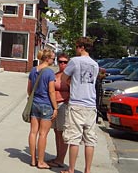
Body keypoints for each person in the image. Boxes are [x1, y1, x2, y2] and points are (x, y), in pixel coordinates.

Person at [61, 37, 99, 173]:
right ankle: (87, 170)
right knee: (90, 140)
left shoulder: (74, 61)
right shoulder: (95, 64)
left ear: (82, 47)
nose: (76, 49)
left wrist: (71, 82)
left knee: (74, 139)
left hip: (76, 103)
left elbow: (63, 78)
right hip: (90, 104)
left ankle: (71, 169)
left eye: (77, 46)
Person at [27, 49, 58, 168]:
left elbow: (29, 89)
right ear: (47, 58)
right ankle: (41, 161)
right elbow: (51, 91)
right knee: (43, 134)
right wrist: (55, 108)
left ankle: (33, 160)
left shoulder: (33, 70)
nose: (53, 60)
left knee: (33, 132)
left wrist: (31, 97)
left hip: (35, 103)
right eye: (53, 58)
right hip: (46, 104)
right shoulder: (49, 72)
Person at [48, 53, 70, 168]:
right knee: (56, 132)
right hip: (54, 106)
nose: (62, 64)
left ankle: (61, 159)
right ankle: (58, 157)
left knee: (62, 134)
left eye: (65, 62)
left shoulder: (69, 77)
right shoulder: (55, 75)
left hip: (63, 105)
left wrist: (67, 101)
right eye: (60, 61)